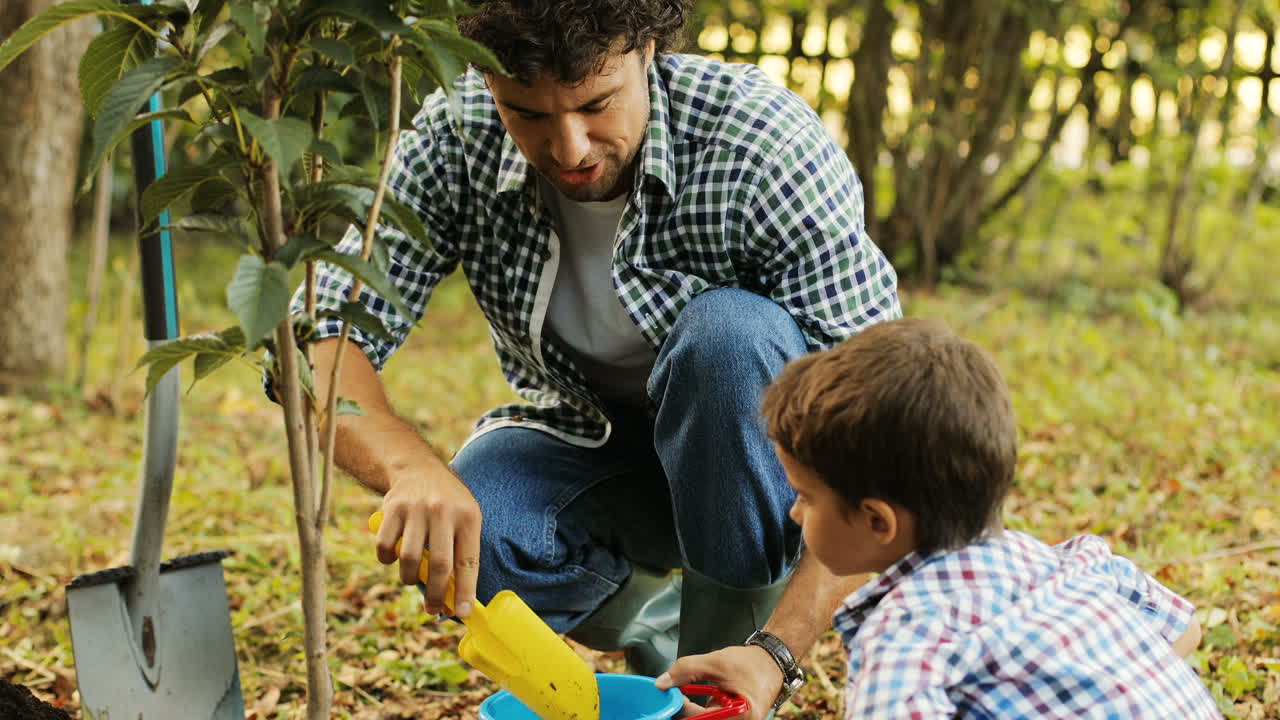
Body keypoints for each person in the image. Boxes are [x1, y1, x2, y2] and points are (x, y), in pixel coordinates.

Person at [303, 0, 899, 714]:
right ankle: (656, 625)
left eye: (596, 103)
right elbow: (323, 338)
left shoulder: (760, 141)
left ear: (648, 52)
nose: (570, 149)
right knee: (481, 526)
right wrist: (408, 467)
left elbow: (883, 437)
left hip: (756, 468)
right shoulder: (455, 132)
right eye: (527, 114)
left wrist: (778, 650)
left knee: (727, 338)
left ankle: (726, 676)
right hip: (597, 449)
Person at [658, 317, 1220, 718]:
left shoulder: (907, 638)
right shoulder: (1076, 566)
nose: (793, 510)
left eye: (806, 495)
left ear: (878, 521)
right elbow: (1187, 629)